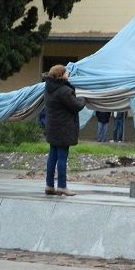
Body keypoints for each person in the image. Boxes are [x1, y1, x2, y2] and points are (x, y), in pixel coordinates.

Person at [44, 64, 86, 196]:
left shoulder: (48, 88)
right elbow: (76, 105)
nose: (68, 74)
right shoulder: (64, 91)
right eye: (66, 72)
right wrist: (83, 98)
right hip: (64, 129)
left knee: (52, 157)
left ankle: (49, 185)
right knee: (62, 157)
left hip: (52, 128)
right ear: (61, 75)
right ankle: (62, 186)